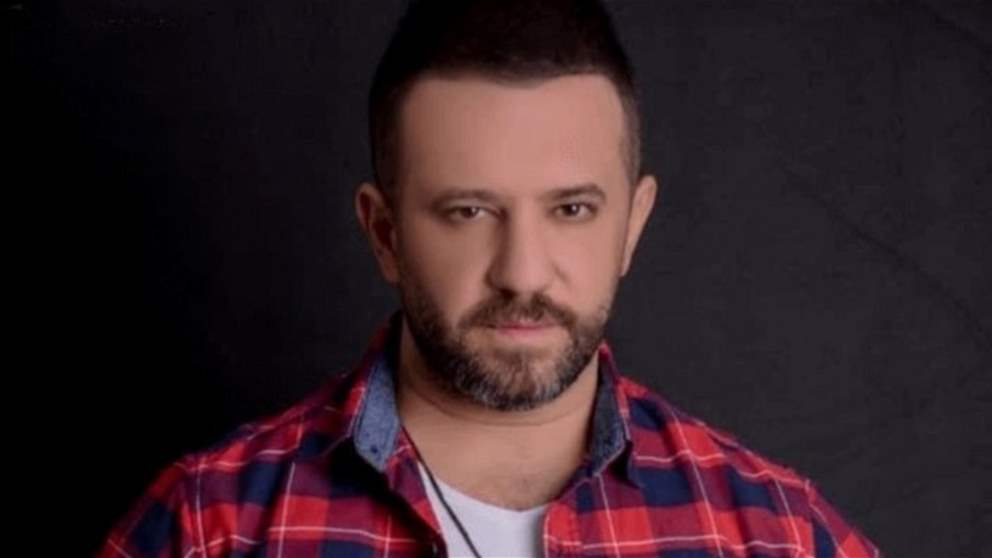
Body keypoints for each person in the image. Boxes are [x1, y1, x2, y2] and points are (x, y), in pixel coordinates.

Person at [99, 1, 881, 556]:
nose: (522, 271)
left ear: (632, 226)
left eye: (571, 209)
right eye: (469, 211)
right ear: (384, 234)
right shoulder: (209, 528)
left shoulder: (777, 534)